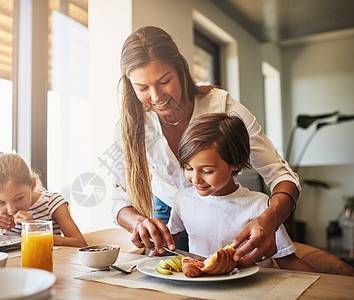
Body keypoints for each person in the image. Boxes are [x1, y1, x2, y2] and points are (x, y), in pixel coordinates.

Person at [112, 26, 300, 266]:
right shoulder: (129, 126)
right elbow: (117, 197)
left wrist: (269, 220)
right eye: (142, 88)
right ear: (130, 85)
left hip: (227, 210)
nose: (157, 96)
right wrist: (139, 222)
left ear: (180, 69)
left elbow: (280, 174)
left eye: (164, 81)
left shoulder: (222, 106)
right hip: (170, 215)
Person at [167, 113, 315, 272]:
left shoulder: (259, 205)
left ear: (235, 164)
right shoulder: (182, 199)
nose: (195, 179)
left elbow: (289, 261)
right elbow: (168, 244)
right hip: (203, 289)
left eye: (207, 171)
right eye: (188, 168)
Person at [0, 152, 87, 247]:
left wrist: (35, 231)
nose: (11, 209)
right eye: (1, 202)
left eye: (19, 198)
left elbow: (80, 243)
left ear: (32, 185)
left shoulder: (52, 203)